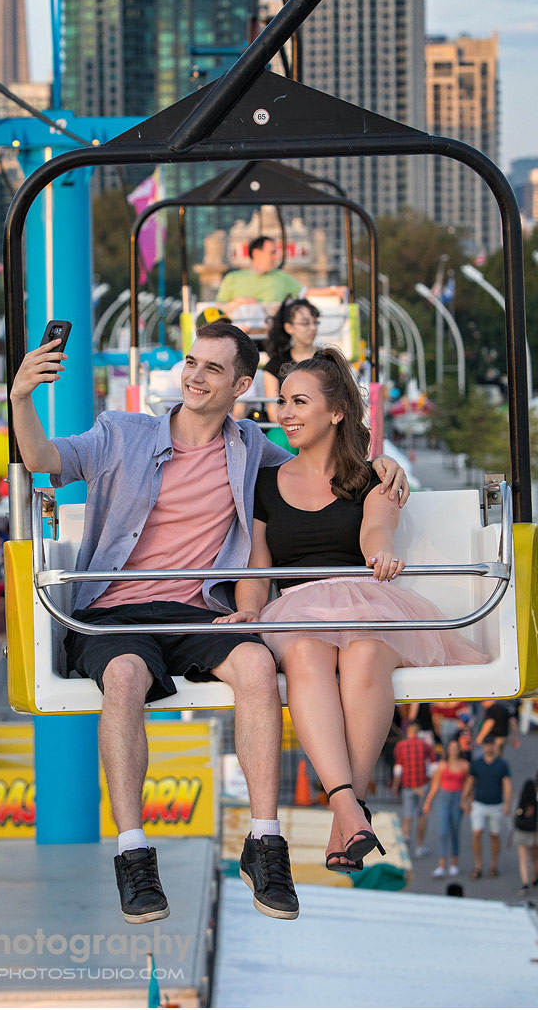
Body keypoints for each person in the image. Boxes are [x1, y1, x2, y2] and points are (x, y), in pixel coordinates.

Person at [10, 320, 409, 923]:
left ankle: (265, 842)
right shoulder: (123, 433)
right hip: (118, 608)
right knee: (122, 679)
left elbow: (324, 460)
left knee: (253, 662)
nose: (195, 377)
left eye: (213, 369)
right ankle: (134, 852)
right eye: (192, 363)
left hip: (198, 610)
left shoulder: (251, 449)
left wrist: (386, 465)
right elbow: (44, 459)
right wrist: (20, 398)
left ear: (241, 385)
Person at [216, 348, 482, 873]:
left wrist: (381, 554)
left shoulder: (371, 477)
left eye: (299, 402)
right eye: (282, 402)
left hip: (361, 593)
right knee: (308, 654)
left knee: (365, 653)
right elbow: (258, 561)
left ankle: (345, 813)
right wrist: (250, 609)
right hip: (297, 608)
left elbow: (375, 531)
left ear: (336, 411)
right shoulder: (267, 481)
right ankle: (350, 810)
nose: (285, 413)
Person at [462, 733, 512, 879]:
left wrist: (507, 803)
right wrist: (464, 798)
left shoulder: (502, 764)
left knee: (494, 835)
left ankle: (493, 865)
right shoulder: (477, 764)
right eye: (487, 745)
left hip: (496, 803)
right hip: (479, 802)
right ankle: (478, 865)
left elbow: (507, 784)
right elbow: (470, 782)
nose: (489, 747)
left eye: (491, 745)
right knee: (477, 833)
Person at [262, 298, 321, 421]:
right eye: (305, 323)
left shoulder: (328, 359)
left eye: (315, 322)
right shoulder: (275, 365)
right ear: (289, 328)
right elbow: (273, 413)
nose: (313, 328)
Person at [216, 236, 303, 313]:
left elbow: (306, 293)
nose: (276, 257)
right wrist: (235, 304)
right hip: (239, 329)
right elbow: (218, 309)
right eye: (272, 253)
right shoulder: (232, 278)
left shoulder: (282, 276)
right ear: (256, 253)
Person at [423, 738, 469, 878]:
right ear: (448, 750)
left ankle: (454, 863)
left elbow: (468, 783)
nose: (454, 751)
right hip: (444, 797)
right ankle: (442, 864)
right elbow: (435, 784)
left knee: (454, 831)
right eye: (451, 748)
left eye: (456, 748)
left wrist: (466, 800)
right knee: (442, 831)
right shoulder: (442, 765)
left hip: (457, 797)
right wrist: (428, 801)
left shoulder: (464, 765)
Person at [392, 719, 436, 857]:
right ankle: (419, 845)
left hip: (407, 785)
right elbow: (433, 766)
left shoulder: (400, 746)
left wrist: (395, 786)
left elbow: (399, 768)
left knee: (407, 815)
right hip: (422, 785)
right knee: (422, 815)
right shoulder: (425, 745)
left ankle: (406, 838)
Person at [513, 777, 538, 893]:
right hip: (534, 835)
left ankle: (525, 883)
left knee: (523, 860)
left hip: (521, 833)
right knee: (534, 859)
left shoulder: (521, 803)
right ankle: (535, 876)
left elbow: (515, 818)